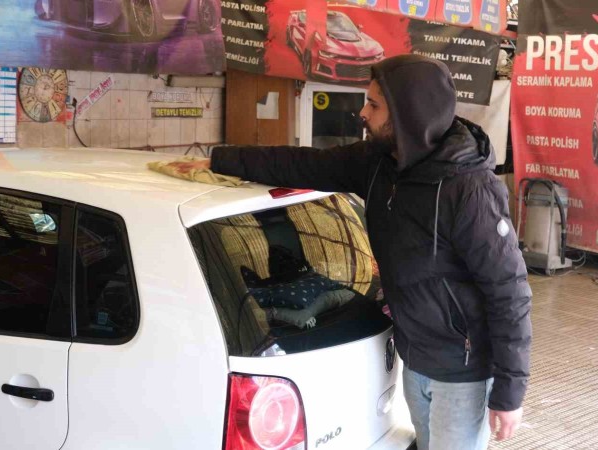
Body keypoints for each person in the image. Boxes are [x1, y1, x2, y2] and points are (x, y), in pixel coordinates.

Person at [170, 54, 531, 450]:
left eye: (374, 105)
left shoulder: (469, 189)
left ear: (407, 115)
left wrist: (509, 392)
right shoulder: (379, 163)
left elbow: (508, 290)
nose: (362, 113)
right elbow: (302, 164)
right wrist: (219, 160)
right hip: (415, 359)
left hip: (464, 370)